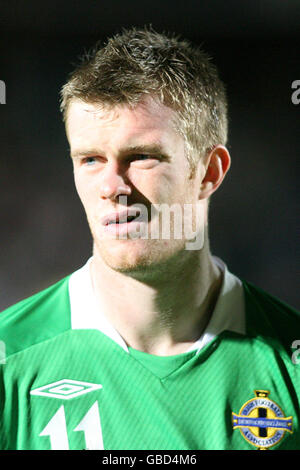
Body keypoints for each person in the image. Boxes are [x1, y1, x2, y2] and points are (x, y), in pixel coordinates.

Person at [0, 27, 299, 451]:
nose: (111, 186)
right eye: (90, 160)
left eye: (141, 157)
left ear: (209, 172)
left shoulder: (290, 364)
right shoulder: (9, 359)